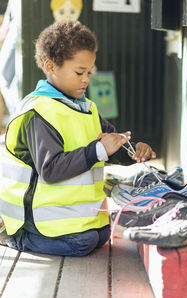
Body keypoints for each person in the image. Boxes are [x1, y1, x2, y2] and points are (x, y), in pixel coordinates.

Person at [0, 20, 156, 257]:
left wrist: (133, 151)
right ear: (50, 66)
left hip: (73, 217)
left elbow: (109, 144)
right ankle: (16, 238)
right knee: (82, 243)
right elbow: (51, 169)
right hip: (36, 220)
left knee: (102, 235)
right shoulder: (39, 112)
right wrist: (98, 150)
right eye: (79, 72)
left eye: (89, 72)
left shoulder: (87, 108)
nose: (86, 80)